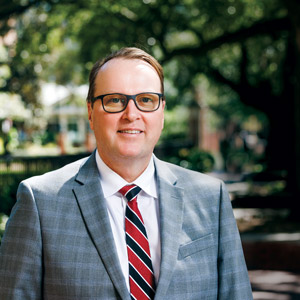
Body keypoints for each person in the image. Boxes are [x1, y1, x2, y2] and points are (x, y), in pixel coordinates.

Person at [0, 47, 253, 299]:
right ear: (90, 112)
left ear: (162, 112)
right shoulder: (40, 202)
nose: (131, 115)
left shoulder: (210, 198)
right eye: (114, 100)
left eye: (146, 100)